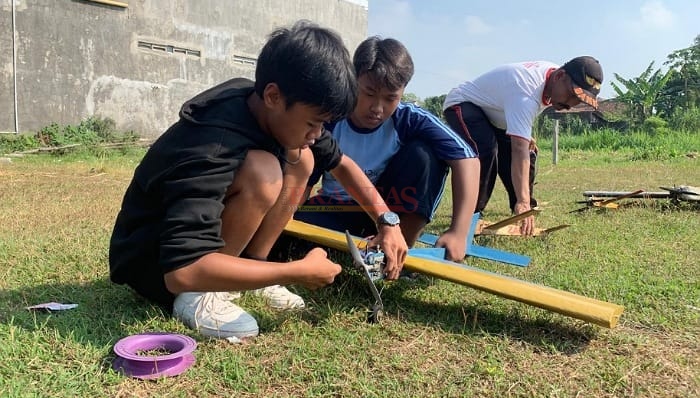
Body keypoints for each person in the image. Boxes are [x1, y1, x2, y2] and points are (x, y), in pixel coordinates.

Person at [109, 21, 407, 342]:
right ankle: (202, 295)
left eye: (323, 125)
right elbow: (182, 271)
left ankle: (253, 266)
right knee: (264, 170)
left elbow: (342, 165)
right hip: (153, 260)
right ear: (273, 95)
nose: (317, 134)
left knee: (302, 156)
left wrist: (388, 222)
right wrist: (295, 271)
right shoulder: (213, 143)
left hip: (196, 253)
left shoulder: (273, 109)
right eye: (313, 123)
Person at [295, 36, 480, 262]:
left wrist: (458, 232)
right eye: (369, 93)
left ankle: (401, 247)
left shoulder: (409, 119)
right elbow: (303, 179)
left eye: (390, 98)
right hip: (338, 207)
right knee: (293, 237)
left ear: (402, 93)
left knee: (424, 154)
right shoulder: (330, 118)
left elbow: (467, 159)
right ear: (354, 81)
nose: (377, 108)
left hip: (390, 213)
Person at [443, 56, 603, 235]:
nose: (570, 105)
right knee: (486, 150)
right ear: (560, 77)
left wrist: (525, 136)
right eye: (572, 95)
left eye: (578, 100)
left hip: (495, 114)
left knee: (529, 151)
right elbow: (518, 150)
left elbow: (522, 137)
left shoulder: (554, 78)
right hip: (464, 104)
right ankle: (470, 216)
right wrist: (523, 201)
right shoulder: (526, 90)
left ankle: (522, 212)